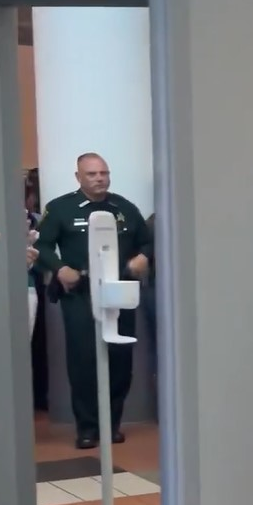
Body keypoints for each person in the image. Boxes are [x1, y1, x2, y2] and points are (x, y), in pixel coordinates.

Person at [32, 152, 152, 450]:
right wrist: (60, 268)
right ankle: (87, 427)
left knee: (120, 359)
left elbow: (147, 240)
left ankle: (112, 424)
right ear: (78, 177)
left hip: (118, 291)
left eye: (103, 173)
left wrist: (143, 257)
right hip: (80, 293)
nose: (99, 178)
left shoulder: (124, 207)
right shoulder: (60, 208)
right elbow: (43, 246)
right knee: (84, 360)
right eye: (92, 174)